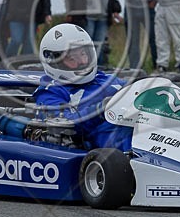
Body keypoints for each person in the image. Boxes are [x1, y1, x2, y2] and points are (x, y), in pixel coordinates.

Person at [33, 23, 132, 151]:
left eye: (83, 54)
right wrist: (101, 109)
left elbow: (136, 90)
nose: (82, 62)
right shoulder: (51, 92)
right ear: (53, 61)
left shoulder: (107, 79)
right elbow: (62, 124)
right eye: (72, 58)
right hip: (103, 138)